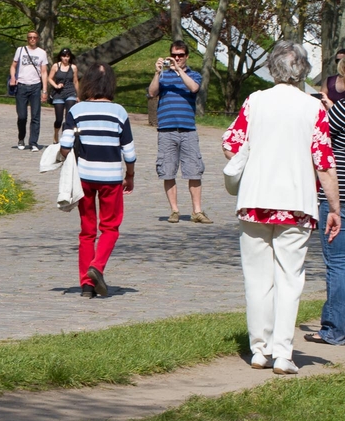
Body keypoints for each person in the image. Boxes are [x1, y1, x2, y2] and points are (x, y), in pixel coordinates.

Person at [221, 41, 340, 374]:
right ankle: (283, 354)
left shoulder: (255, 101)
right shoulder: (313, 107)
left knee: (257, 279)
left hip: (254, 202)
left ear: (273, 68)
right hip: (296, 204)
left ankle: (259, 349)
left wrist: (256, 160)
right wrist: (335, 207)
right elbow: (324, 161)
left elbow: (230, 143)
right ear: (301, 69)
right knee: (290, 279)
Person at [60, 62, 136, 299]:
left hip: (84, 177)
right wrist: (130, 175)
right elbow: (129, 152)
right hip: (111, 178)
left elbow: (64, 147)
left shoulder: (76, 110)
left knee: (87, 231)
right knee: (110, 228)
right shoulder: (119, 112)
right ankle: (97, 266)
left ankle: (86, 286)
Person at [147, 40, 212, 224]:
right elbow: (152, 93)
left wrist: (179, 70)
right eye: (174, 55)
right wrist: (158, 72)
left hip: (188, 130)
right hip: (166, 130)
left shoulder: (194, 75)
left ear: (186, 56)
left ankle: (197, 211)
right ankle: (174, 210)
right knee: (167, 170)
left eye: (180, 55)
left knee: (194, 170)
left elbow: (194, 88)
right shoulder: (163, 76)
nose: (177, 58)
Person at [305, 88, 345, 345]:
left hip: (339, 196)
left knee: (338, 262)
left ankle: (334, 328)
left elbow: (318, 139)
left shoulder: (342, 110)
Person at [9, 31, 48, 151]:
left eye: (34, 37)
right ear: (27, 39)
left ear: (38, 39)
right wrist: (13, 77)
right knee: (22, 116)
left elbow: (44, 72)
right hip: (21, 85)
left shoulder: (42, 53)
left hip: (35, 86)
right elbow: (13, 66)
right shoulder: (20, 50)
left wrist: (45, 90)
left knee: (35, 116)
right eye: (30, 37)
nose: (32, 39)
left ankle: (33, 143)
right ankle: (21, 138)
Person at [48, 48, 80, 144]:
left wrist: (78, 95)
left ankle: (66, 137)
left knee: (68, 117)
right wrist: (56, 86)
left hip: (70, 92)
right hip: (58, 94)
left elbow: (75, 81)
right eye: (64, 56)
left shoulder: (73, 67)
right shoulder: (56, 66)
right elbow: (50, 78)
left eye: (67, 56)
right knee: (59, 119)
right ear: (60, 57)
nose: (66, 58)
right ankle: (56, 133)